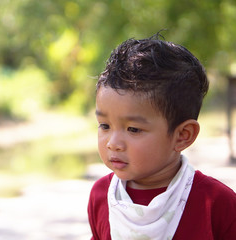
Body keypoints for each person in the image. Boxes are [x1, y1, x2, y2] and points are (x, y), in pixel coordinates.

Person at [88, 34, 236, 240]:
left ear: (183, 135)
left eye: (133, 129)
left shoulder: (216, 203)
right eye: (105, 125)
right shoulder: (102, 196)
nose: (113, 144)